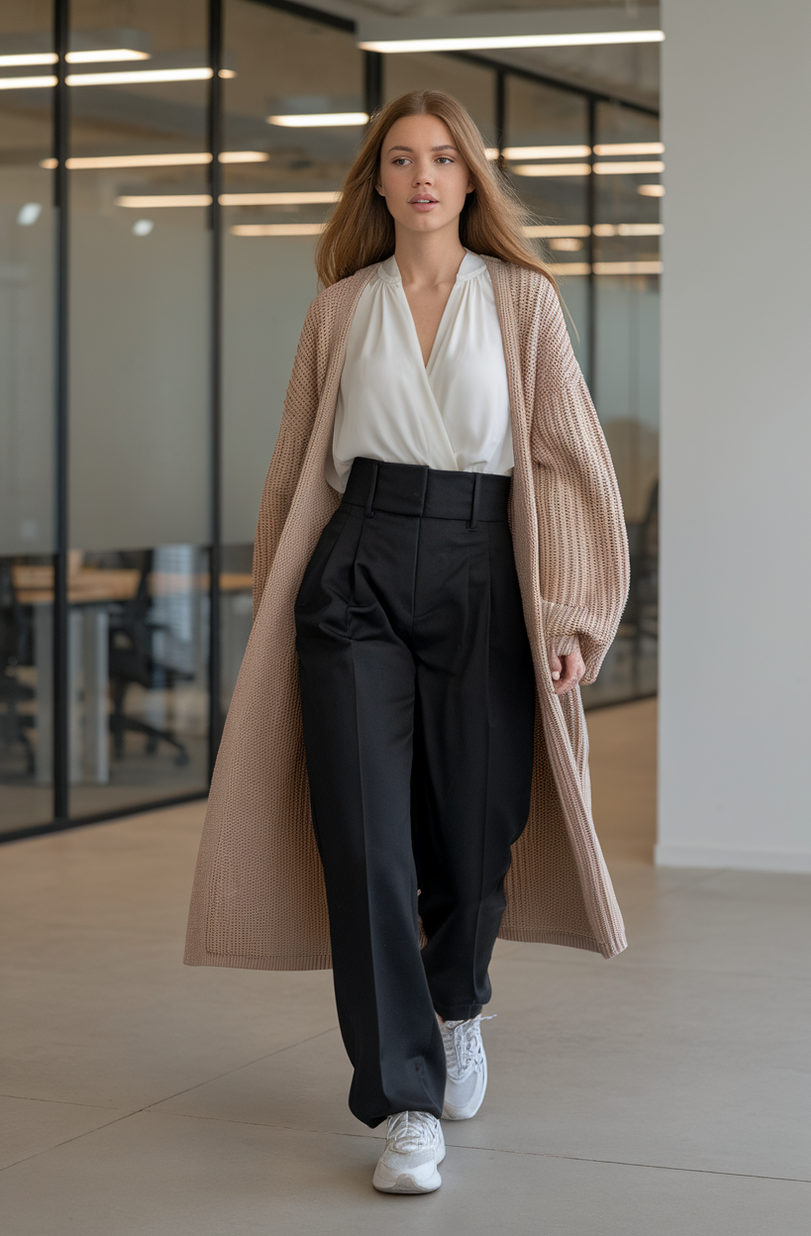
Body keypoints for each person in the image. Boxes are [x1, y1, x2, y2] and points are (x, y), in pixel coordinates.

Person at [185, 89, 630, 1195]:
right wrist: (272, 594)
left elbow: (570, 461)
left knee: (475, 833)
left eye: (442, 158)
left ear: (470, 179)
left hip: (485, 563)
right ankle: (404, 1099)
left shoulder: (521, 301)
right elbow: (296, 472)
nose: (422, 175)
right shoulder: (339, 310)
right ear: (376, 182)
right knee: (366, 837)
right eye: (400, 159)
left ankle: (459, 999)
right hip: (358, 569)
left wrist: (571, 617)